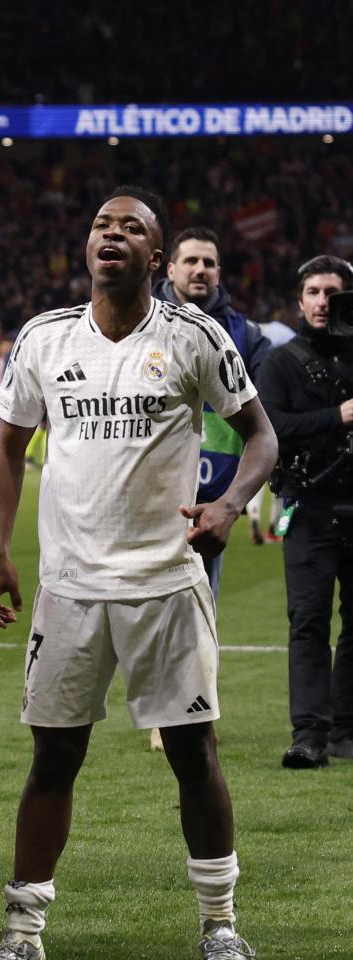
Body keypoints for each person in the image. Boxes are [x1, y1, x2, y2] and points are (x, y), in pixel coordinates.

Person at [0, 186, 276, 960]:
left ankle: (220, 925)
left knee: (191, 751)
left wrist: (231, 504)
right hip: (70, 588)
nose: (111, 235)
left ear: (155, 256)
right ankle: (22, 931)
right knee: (54, 757)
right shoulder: (45, 339)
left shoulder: (195, 336)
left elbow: (260, 438)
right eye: (100, 224)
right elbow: (8, 450)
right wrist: (0, 552)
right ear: (88, 247)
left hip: (166, 584)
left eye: (131, 228)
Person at [255, 255, 353, 768]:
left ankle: (346, 731)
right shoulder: (281, 362)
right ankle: (309, 734)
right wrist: (336, 415)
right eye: (312, 292)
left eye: (332, 292)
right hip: (309, 505)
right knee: (309, 622)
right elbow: (270, 429)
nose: (321, 302)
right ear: (299, 300)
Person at [153, 226, 272, 597]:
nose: (200, 269)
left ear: (219, 273)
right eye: (190, 261)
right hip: (144, 494)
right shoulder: (139, 322)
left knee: (197, 627)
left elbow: (266, 421)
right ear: (170, 269)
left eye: (209, 263)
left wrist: (229, 503)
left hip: (208, 504)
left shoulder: (247, 336)